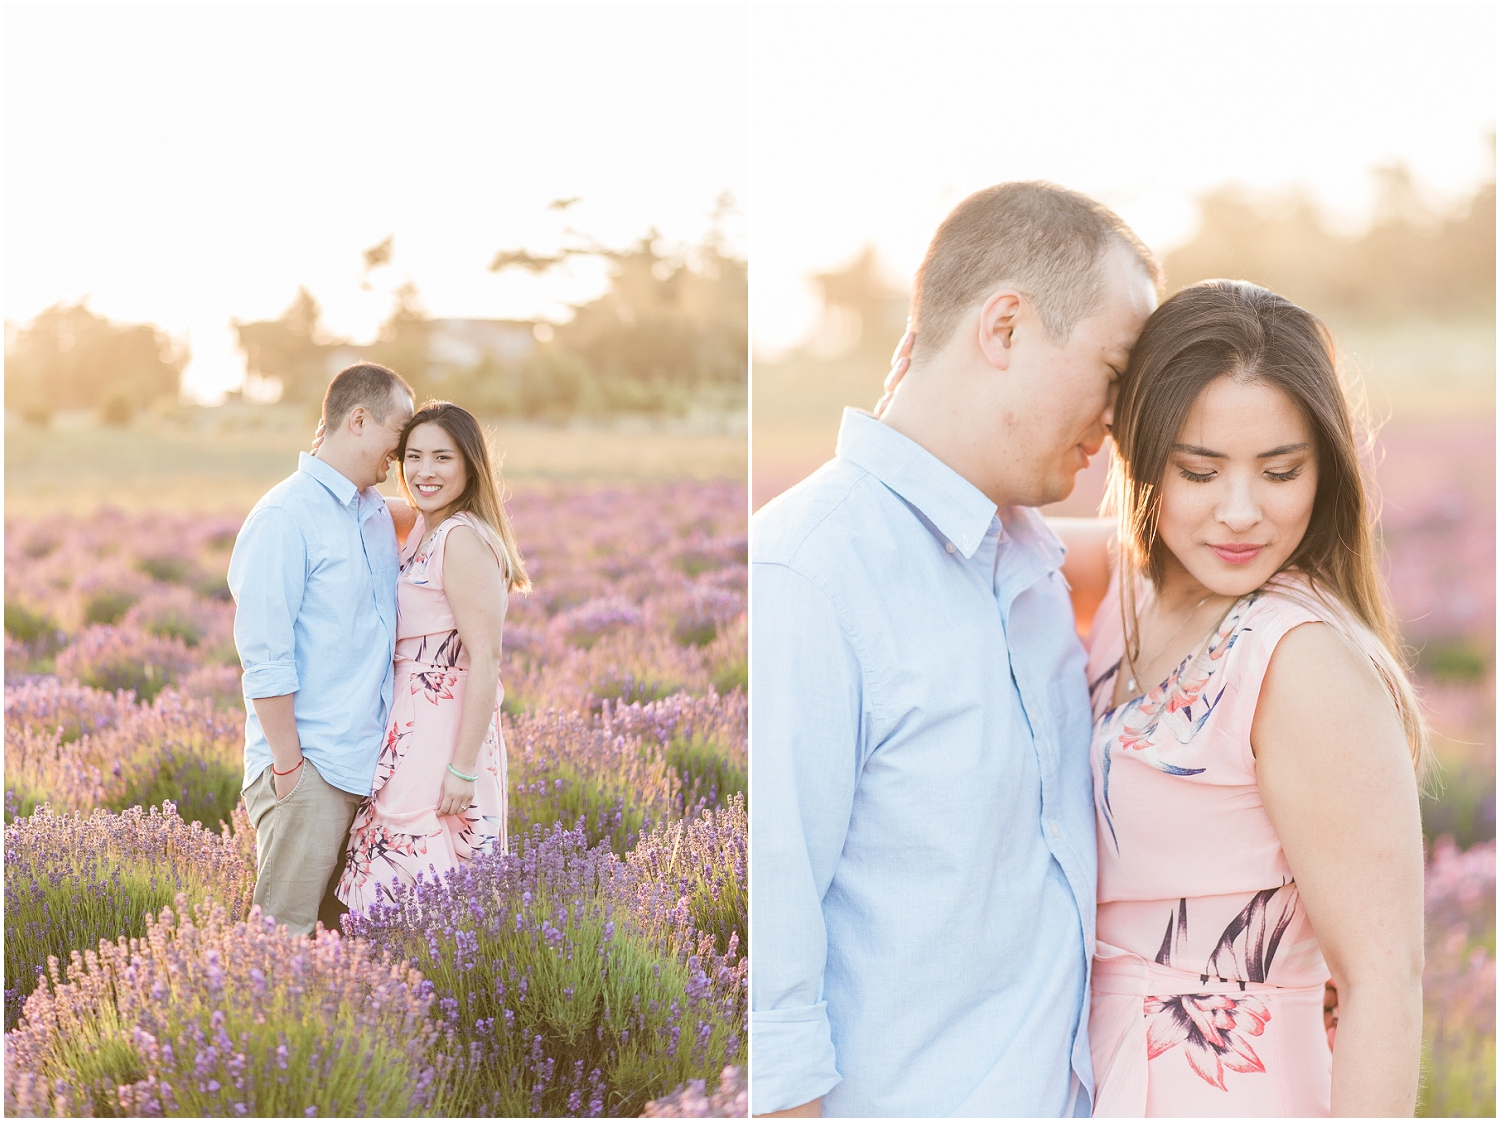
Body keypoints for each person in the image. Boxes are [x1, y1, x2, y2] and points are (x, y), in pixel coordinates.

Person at [750, 182, 1161, 1117]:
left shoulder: (1028, 565)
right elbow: (771, 1012)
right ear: (1006, 327)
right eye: (1114, 369)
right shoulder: (808, 577)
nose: (1120, 419)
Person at [1060, 281, 1427, 1117]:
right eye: (1198, 470)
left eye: (1280, 471)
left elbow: (1383, 980)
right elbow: (963, 537)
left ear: (1325, 468)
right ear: (1141, 459)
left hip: (1230, 1089)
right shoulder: (1137, 589)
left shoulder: (1298, 658)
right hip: (1100, 1076)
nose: (1239, 514)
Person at [229, 362, 416, 937]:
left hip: (367, 770)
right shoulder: (286, 515)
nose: (405, 451)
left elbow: (445, 508)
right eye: (401, 433)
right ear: (359, 420)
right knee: (281, 948)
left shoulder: (372, 512)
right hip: (309, 770)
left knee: (344, 950)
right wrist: (290, 770)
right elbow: (265, 659)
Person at [336, 400, 530, 910]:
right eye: (413, 457)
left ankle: (421, 976)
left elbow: (486, 659)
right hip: (409, 722)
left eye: (443, 458)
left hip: (443, 727)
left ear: (470, 463)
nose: (425, 471)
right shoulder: (427, 525)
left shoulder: (462, 538)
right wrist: (330, 453)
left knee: (418, 853)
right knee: (399, 852)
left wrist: (463, 769)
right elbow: (367, 503)